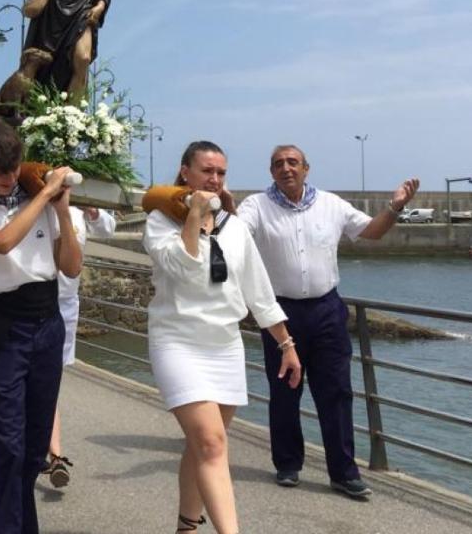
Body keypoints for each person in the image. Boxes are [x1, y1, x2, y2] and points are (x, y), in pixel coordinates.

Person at [236, 145, 419, 499]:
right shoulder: (256, 206)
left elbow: (372, 232)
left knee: (336, 393)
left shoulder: (332, 204)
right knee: (284, 392)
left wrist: (396, 206)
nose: (286, 168)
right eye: (278, 164)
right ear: (270, 172)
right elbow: (237, 235)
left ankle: (343, 473)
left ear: (306, 168)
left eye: (292, 162)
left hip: (326, 310)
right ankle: (288, 465)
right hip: (281, 312)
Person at [143, 141, 301, 534]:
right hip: (177, 341)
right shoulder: (160, 222)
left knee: (202, 446)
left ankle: (186, 527)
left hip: (224, 344)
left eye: (221, 173)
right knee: (212, 445)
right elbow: (182, 266)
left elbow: (258, 290)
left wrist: (286, 344)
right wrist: (193, 217)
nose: (214, 179)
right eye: (206, 171)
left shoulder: (236, 227)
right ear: (185, 172)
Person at [0, 120, 80, 532]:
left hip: (47, 321)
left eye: (12, 168)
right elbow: (2, 242)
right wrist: (43, 196)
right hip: (5, 324)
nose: (8, 179)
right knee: (7, 443)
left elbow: (72, 266)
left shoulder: (39, 197)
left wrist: (61, 209)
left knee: (36, 443)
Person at [42, 205, 116, 488]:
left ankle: (55, 454)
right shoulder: (32, 194)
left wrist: (95, 211)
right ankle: (41, 448)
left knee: (50, 381)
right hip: (27, 299)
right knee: (31, 383)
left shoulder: (78, 205)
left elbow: (107, 228)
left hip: (65, 302)